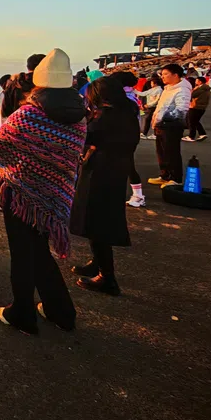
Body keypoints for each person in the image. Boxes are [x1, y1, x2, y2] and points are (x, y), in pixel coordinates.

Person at [0, 49, 87, 335]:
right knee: (38, 251)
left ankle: (22, 312)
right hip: (54, 193)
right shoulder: (79, 114)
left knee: (23, 254)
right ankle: (60, 311)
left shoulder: (30, 113)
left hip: (21, 194)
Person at [69, 77, 139, 295]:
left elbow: (82, 135)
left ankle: (107, 278)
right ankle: (97, 263)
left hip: (101, 174)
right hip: (114, 172)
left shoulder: (106, 117)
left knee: (96, 221)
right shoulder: (126, 112)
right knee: (99, 220)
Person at [147, 64, 191, 188]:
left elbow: (181, 110)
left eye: (166, 74)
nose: (163, 77)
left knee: (172, 152)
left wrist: (163, 117)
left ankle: (175, 178)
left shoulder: (182, 90)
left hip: (172, 126)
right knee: (161, 152)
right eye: (162, 74)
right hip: (161, 125)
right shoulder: (168, 88)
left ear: (175, 75)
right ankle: (165, 175)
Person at [113, 71, 146, 207]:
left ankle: (138, 195)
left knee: (127, 165)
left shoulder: (125, 99)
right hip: (130, 136)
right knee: (127, 164)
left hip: (124, 136)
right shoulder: (130, 95)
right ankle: (137, 195)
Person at [1, 53, 46, 120]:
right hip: (43, 127)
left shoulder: (12, 85)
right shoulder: (45, 85)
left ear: (28, 67)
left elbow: (5, 112)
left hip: (17, 125)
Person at [135, 74, 163, 138]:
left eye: (152, 83)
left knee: (151, 120)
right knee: (149, 119)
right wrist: (133, 90)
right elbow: (144, 93)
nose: (150, 84)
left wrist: (148, 105)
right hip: (150, 106)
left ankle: (150, 134)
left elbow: (156, 100)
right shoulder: (153, 89)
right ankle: (146, 133)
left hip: (154, 106)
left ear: (155, 83)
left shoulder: (159, 90)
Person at [184, 76, 211, 142]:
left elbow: (192, 95)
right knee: (195, 121)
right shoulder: (206, 88)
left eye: (196, 80)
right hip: (202, 107)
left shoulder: (200, 89)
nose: (195, 82)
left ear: (200, 81)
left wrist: (192, 90)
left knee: (191, 121)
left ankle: (191, 136)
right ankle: (202, 133)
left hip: (195, 106)